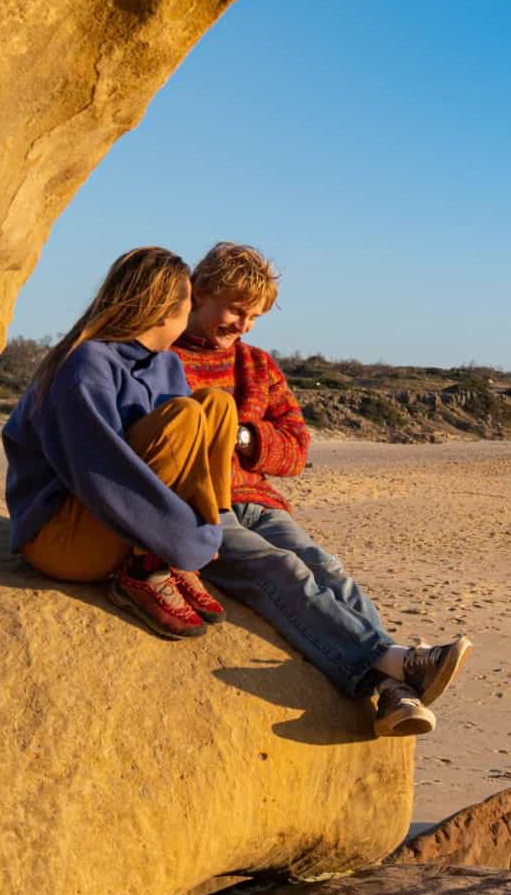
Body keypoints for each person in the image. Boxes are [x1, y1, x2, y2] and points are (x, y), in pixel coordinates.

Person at [174, 242, 471, 738]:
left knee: (327, 567)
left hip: (259, 501)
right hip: (201, 502)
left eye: (254, 316)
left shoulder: (258, 366)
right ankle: (395, 671)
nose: (243, 325)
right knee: (279, 568)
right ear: (200, 291)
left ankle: (390, 689)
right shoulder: (165, 358)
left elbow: (295, 449)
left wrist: (242, 436)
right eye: (236, 310)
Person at [1, 247, 236, 640]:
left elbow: (188, 465)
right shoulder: (86, 363)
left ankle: (169, 555)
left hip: (116, 525)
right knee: (185, 414)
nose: (193, 314)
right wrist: (188, 539)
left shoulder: (166, 364)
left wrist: (206, 529)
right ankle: (147, 570)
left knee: (216, 404)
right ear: (164, 312)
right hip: (61, 537)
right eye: (190, 303)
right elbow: (103, 473)